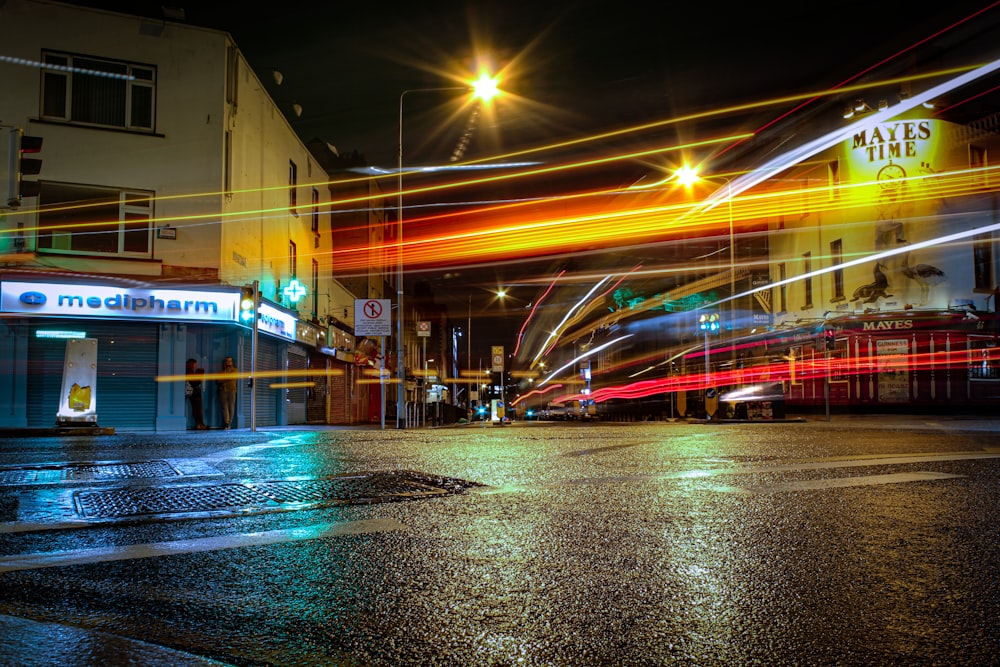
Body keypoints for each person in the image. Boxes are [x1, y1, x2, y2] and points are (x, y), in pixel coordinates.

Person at [185, 358, 207, 430]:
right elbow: (194, 382)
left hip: (193, 392)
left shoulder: (189, 371)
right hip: (195, 392)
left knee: (195, 409)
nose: (196, 365)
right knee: (198, 409)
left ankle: (199, 423)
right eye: (195, 364)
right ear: (192, 364)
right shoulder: (189, 372)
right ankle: (200, 424)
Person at [218, 356, 238, 429]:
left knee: (231, 407)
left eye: (230, 361)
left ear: (232, 363)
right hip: (223, 390)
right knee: (224, 407)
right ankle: (226, 422)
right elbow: (218, 380)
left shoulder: (235, 370)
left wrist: (224, 378)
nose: (228, 362)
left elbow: (232, 377)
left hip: (232, 390)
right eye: (227, 361)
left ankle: (229, 423)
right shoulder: (222, 372)